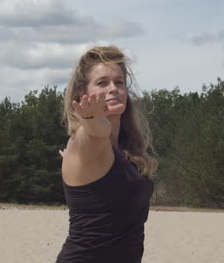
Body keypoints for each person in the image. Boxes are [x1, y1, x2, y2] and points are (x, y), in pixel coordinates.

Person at [55, 46, 158, 263]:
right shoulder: (87, 136)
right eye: (102, 83)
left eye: (119, 82)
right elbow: (98, 132)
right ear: (83, 96)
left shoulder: (126, 152)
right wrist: (91, 120)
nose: (113, 88)